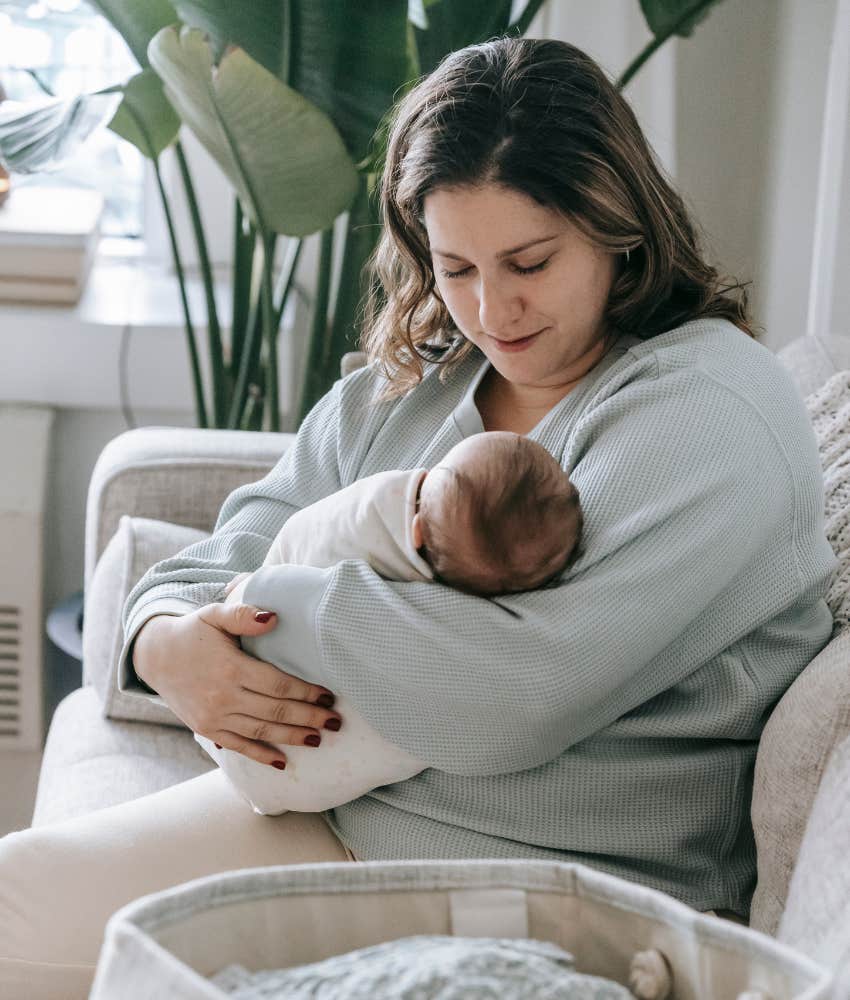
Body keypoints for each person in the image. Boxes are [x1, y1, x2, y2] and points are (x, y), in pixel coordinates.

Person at [0, 36, 836, 998]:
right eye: (456, 267)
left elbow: (509, 699)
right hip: (350, 815)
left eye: (529, 261)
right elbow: (230, 543)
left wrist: (271, 604)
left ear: (618, 225)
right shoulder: (417, 386)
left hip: (548, 879)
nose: (493, 309)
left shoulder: (707, 409)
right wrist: (164, 645)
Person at [200, 430, 582, 816]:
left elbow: (303, 538)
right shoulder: (362, 413)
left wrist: (256, 587)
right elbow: (232, 543)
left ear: (416, 528)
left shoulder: (375, 514)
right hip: (292, 768)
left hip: (274, 755)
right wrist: (160, 635)